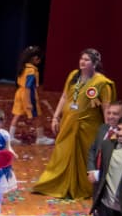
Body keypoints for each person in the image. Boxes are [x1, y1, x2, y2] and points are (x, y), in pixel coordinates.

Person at [33, 49, 116, 200]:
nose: (82, 62)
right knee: (62, 153)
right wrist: (55, 117)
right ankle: (57, 183)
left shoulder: (103, 83)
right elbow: (64, 97)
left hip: (88, 128)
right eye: (81, 59)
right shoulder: (73, 76)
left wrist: (108, 130)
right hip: (68, 124)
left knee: (85, 157)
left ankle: (85, 187)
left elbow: (106, 108)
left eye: (87, 60)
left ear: (95, 64)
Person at [83, 101, 122, 216]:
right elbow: (93, 150)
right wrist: (91, 169)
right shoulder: (103, 128)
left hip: (116, 183)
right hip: (98, 182)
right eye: (109, 113)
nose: (111, 116)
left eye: (115, 113)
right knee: (99, 214)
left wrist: (101, 175)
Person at [9, 46, 52, 145]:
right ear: (35, 58)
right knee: (37, 116)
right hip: (28, 95)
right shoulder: (31, 71)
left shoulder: (23, 67)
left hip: (19, 93)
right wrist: (29, 102)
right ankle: (40, 138)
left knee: (17, 114)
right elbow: (28, 87)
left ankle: (10, 137)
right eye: (39, 59)